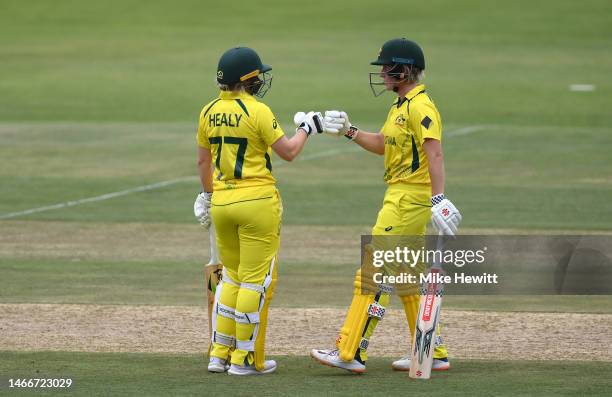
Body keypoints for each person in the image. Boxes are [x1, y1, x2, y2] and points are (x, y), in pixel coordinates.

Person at [310, 38, 462, 373]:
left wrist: (438, 197)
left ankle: (350, 352)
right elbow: (382, 145)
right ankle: (431, 352)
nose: (381, 74)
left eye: (386, 68)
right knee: (408, 276)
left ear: (404, 70)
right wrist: (349, 131)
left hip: (409, 199)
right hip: (399, 196)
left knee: (373, 270)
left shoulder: (421, 107)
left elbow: (434, 152)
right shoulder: (399, 107)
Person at [194, 46, 323, 375]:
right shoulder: (258, 111)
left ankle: (219, 354)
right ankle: (245, 360)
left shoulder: (208, 111)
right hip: (257, 203)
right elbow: (289, 152)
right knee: (254, 283)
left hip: (222, 203)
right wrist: (307, 127)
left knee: (231, 280)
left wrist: (208, 195)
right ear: (247, 79)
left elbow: (203, 160)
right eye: (257, 75)